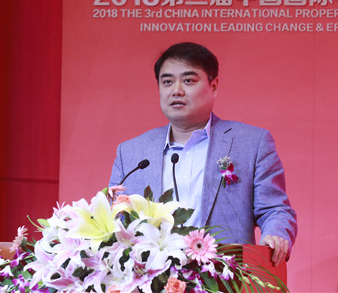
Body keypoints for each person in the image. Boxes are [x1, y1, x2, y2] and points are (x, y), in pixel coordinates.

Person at [109, 42, 297, 265]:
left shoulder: (252, 143)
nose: (177, 90)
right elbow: (115, 219)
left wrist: (275, 234)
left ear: (213, 86)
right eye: (167, 82)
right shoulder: (131, 152)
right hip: (150, 276)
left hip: (225, 275)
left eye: (188, 80)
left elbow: (275, 209)